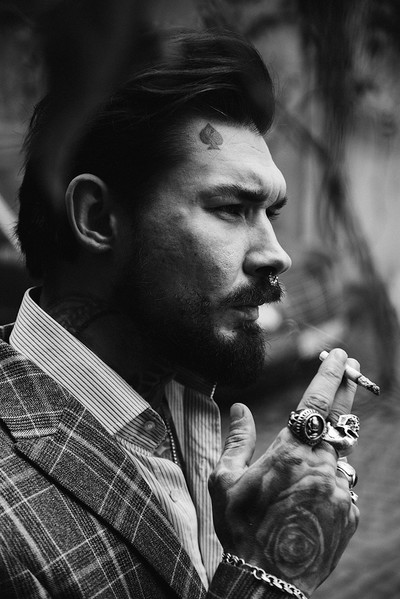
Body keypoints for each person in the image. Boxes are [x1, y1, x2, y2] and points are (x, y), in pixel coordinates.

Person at [0, 29, 360, 598]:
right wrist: (270, 573)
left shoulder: (184, 398)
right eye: (232, 208)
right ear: (97, 218)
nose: (278, 255)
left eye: (270, 213)